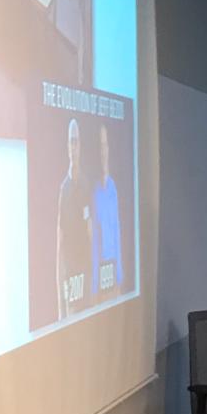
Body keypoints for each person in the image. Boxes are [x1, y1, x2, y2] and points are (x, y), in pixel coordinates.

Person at [55, 117, 91, 319]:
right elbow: (59, 245)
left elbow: (90, 231)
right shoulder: (64, 190)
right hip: (70, 279)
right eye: (71, 142)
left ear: (81, 146)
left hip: (85, 275)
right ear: (67, 146)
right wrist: (60, 305)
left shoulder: (86, 185)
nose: (74, 147)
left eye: (76, 141)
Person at [89, 124, 122, 303]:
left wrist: (119, 276)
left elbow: (117, 232)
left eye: (105, 145)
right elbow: (92, 240)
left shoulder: (113, 188)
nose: (102, 152)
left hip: (114, 279)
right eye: (99, 147)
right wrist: (94, 286)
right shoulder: (93, 192)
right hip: (99, 284)